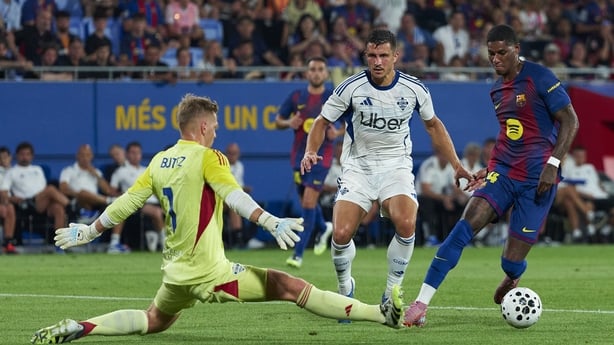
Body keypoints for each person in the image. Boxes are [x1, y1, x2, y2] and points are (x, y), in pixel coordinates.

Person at [30, 94, 405, 344]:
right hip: (211, 274)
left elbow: (126, 203)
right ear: (203, 127)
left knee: (155, 319)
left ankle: (83, 326)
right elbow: (234, 196)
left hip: (176, 272)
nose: (218, 130)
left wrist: (89, 230)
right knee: (292, 287)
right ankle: (381, 314)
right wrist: (270, 221)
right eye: (215, 125)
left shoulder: (159, 161)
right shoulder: (210, 157)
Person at [402, 24, 580, 327]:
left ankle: (513, 274)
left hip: (537, 180)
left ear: (516, 49)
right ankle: (420, 304)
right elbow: (509, 135)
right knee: (462, 230)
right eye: (491, 53)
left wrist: (553, 164)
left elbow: (571, 121)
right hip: (504, 174)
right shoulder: (496, 90)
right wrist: (490, 168)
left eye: (501, 52)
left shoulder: (540, 77)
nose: (495, 59)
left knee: (510, 260)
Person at [300, 29, 472, 321]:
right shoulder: (349, 88)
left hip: (396, 166)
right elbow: (321, 122)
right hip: (358, 167)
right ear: (366, 56)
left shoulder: (414, 89)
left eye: (383, 55)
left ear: (395, 56)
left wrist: (456, 164)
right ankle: (346, 288)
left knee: (406, 223)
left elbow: (434, 126)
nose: (377, 62)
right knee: (341, 233)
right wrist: (310, 150)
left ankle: (391, 291)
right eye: (371, 56)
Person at [274, 56, 338, 268]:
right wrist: (288, 122)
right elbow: (277, 122)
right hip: (299, 156)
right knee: (306, 203)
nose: (317, 73)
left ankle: (298, 254)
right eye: (313, 69)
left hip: (322, 156)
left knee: (309, 203)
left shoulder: (332, 96)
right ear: (307, 73)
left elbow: (352, 121)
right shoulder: (297, 96)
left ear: (326, 73)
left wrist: (337, 131)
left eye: (321, 69)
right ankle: (323, 227)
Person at [0, 142, 70, 241]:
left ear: (32, 156)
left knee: (58, 208)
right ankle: (71, 207)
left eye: (27, 154)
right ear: (17, 156)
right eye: (22, 154)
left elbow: (43, 188)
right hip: (26, 204)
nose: (25, 157)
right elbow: (4, 192)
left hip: (42, 201)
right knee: (50, 189)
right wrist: (12, 199)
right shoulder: (12, 172)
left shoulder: (38, 170)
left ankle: (59, 243)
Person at [109, 141, 164, 253]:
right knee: (157, 212)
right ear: (127, 154)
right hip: (136, 203)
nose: (135, 155)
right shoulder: (121, 171)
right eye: (133, 153)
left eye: (138, 153)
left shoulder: (146, 170)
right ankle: (165, 244)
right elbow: (112, 191)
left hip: (154, 201)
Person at [58, 144, 117, 225]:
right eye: (82, 155)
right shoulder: (69, 170)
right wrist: (79, 195)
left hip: (95, 203)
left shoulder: (96, 172)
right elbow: (63, 188)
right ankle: (109, 201)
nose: (85, 158)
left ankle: (91, 213)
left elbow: (107, 190)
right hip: (77, 201)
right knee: (83, 192)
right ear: (77, 156)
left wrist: (95, 175)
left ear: (92, 156)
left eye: (88, 155)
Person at [224, 142, 251, 248]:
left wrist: (244, 189)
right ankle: (237, 238)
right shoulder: (222, 165)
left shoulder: (239, 166)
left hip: (235, 198)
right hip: (220, 201)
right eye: (230, 153)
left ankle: (247, 238)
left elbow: (238, 185)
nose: (233, 156)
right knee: (233, 206)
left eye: (235, 153)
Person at [0, 146, 17, 254]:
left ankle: (8, 243)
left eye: (5, 157)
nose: (3, 160)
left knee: (9, 207)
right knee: (8, 208)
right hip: (4, 202)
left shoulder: (16, 172)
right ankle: (8, 244)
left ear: (10, 158)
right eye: (0, 158)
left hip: (16, 202)